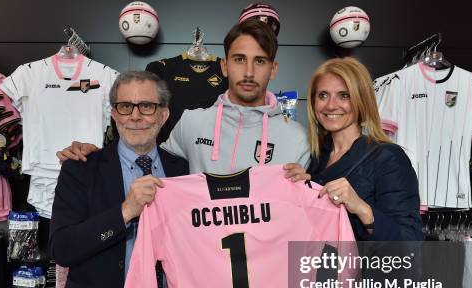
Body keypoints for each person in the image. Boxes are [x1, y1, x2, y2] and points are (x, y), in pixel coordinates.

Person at [49, 71, 188, 288]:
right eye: (125, 106)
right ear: (113, 113)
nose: (136, 116)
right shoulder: (81, 168)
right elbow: (62, 247)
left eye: (146, 106)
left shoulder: (183, 170)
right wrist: (125, 211)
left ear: (164, 114)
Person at [290, 57, 423, 288]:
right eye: (322, 96)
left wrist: (361, 207)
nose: (331, 105)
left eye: (343, 95)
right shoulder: (315, 163)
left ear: (361, 100)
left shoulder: (388, 158)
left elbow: (409, 244)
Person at [56, 19, 310, 174]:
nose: (249, 72)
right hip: (197, 258)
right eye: (239, 59)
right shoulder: (192, 122)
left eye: (260, 61)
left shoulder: (297, 138)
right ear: (224, 66)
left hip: (266, 261)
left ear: (273, 69)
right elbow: (145, 162)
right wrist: (98, 157)